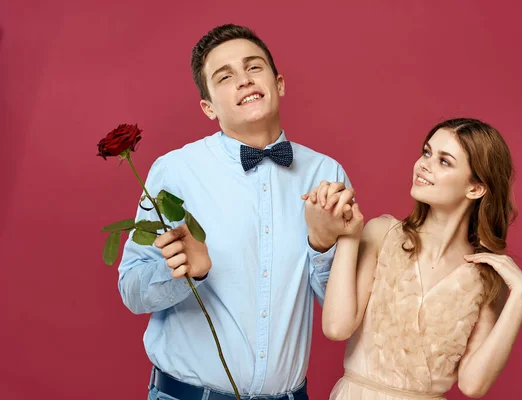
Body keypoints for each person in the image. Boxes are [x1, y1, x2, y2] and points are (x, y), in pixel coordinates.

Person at [118, 24, 353, 400]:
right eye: (225, 77)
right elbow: (131, 289)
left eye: (253, 67)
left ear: (279, 84)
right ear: (208, 107)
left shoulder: (326, 174)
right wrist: (182, 274)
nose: (243, 80)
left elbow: (341, 311)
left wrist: (323, 245)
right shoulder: (175, 171)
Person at [313, 118, 522, 399]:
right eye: (427, 152)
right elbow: (336, 327)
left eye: (444, 161)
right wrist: (348, 237)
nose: (423, 165)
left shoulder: (485, 275)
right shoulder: (381, 234)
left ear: (476, 188)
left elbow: (473, 385)